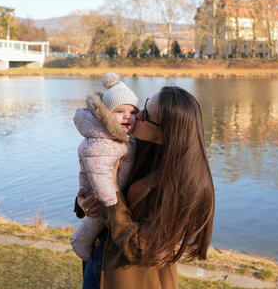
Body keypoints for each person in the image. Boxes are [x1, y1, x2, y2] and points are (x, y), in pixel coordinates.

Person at [76, 86, 215, 289]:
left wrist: (112, 194)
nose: (137, 114)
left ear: (166, 130)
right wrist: (85, 200)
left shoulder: (181, 185)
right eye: (145, 104)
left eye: (146, 114)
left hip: (128, 277)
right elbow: (98, 175)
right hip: (97, 258)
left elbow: (141, 249)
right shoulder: (136, 144)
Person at [71, 72, 140, 261]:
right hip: (104, 196)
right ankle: (80, 240)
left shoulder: (124, 138)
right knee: (95, 218)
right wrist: (110, 200)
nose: (128, 116)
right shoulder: (104, 141)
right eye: (119, 112)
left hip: (115, 233)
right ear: (105, 116)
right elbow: (98, 169)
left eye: (133, 112)